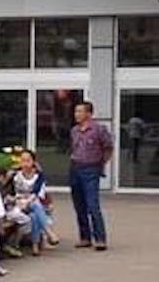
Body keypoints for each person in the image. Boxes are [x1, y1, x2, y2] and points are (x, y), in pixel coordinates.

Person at [69, 101, 112, 251]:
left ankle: (100, 238)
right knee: (78, 204)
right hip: (75, 167)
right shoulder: (74, 131)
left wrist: (101, 164)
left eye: (80, 112)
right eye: (75, 112)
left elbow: (108, 147)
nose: (77, 115)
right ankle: (85, 237)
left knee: (92, 204)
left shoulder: (99, 129)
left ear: (88, 113)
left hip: (91, 168)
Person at [11, 150, 59, 256]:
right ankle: (48, 232)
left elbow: (36, 192)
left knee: (34, 213)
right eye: (23, 160)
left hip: (32, 203)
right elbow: (12, 192)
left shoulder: (39, 175)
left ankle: (35, 245)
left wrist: (28, 200)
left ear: (33, 162)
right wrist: (22, 199)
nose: (25, 163)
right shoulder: (15, 175)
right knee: (35, 205)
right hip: (18, 204)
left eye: (28, 160)